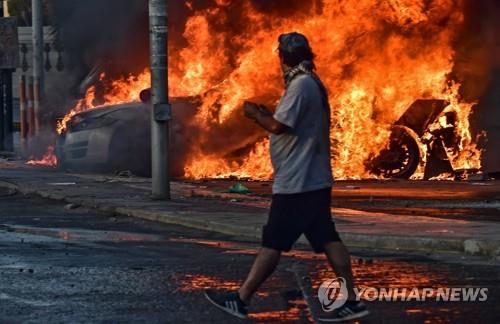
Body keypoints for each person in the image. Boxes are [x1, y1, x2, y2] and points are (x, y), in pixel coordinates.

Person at [205, 32, 369, 322]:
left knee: (273, 243)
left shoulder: (301, 85)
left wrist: (255, 113)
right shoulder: (309, 82)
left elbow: (279, 127)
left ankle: (241, 300)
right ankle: (353, 300)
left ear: (281, 57)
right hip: (312, 179)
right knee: (328, 238)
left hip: (298, 182)